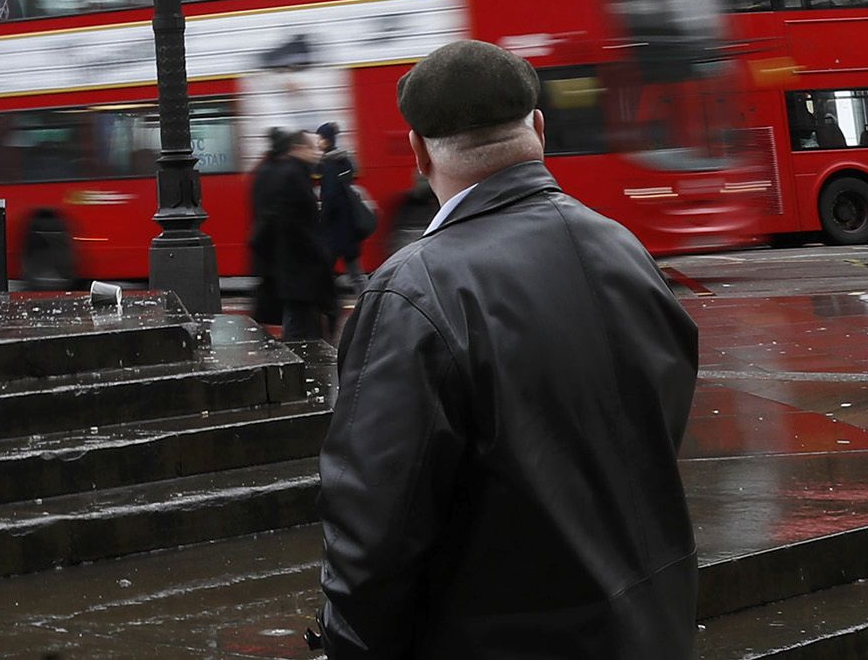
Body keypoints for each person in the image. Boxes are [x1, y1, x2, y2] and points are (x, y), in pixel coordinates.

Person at [318, 41, 701, 657]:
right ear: (539, 128)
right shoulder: (622, 247)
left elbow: (375, 528)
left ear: (418, 152)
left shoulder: (414, 290)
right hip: (652, 625)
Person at [251, 128, 338, 341]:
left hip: (291, 267)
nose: (316, 152)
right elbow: (295, 223)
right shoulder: (292, 174)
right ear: (298, 148)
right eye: (311, 148)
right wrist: (320, 253)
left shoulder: (279, 171)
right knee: (301, 327)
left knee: (299, 320)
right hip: (299, 266)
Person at [317, 121, 379, 285]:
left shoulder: (330, 164)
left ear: (327, 140)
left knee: (324, 271)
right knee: (354, 272)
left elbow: (331, 196)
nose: (318, 142)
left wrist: (322, 219)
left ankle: (330, 307)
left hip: (335, 229)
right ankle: (366, 302)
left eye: (320, 138)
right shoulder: (344, 160)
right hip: (347, 226)